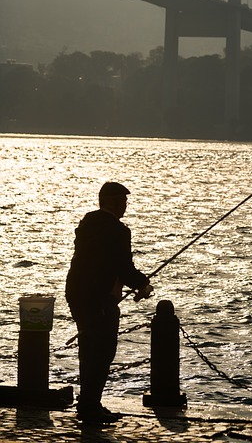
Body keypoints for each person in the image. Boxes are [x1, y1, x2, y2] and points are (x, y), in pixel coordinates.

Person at [66, 181, 152, 425]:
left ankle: (88, 403)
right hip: (100, 300)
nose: (125, 206)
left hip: (76, 294)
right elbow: (122, 267)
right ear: (113, 202)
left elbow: (102, 262)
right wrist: (143, 284)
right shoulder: (118, 230)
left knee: (88, 349)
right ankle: (90, 407)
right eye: (123, 202)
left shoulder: (87, 224)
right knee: (103, 352)